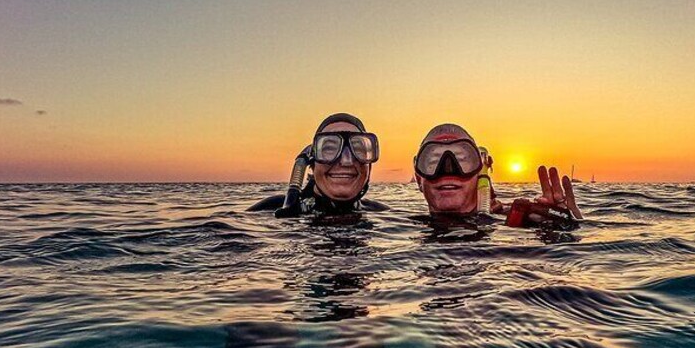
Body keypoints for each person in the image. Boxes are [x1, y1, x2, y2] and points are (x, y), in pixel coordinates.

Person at [413, 123, 583, 227]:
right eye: (434, 161)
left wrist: (569, 224)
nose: (448, 170)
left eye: (462, 160)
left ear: (480, 171)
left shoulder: (520, 218)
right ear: (418, 177)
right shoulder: (393, 227)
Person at [247, 113, 388, 216]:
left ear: (369, 167)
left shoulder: (383, 214)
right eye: (329, 149)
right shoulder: (269, 211)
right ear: (312, 163)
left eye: (358, 149)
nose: (346, 161)